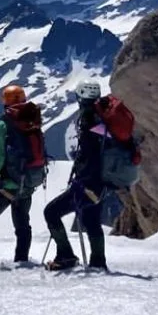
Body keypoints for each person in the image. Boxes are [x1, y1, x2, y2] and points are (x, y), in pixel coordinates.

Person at [0, 84, 46, 270]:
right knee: (22, 221)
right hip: (29, 181)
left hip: (8, 184)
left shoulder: (2, 125)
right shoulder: (33, 120)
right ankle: (21, 259)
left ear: (4, 101)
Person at [45, 80, 109, 271]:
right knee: (91, 220)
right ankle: (98, 262)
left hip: (86, 183)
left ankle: (66, 256)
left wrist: (80, 179)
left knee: (51, 212)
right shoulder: (103, 117)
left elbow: (89, 155)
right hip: (101, 183)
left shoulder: (89, 119)